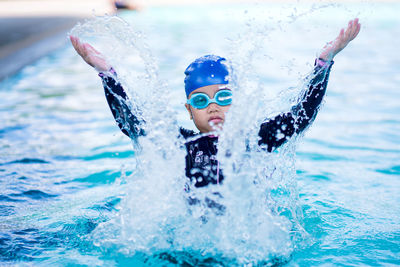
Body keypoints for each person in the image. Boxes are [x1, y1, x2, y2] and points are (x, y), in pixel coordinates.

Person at [69, 18, 361, 189]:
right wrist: (108, 75)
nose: (213, 107)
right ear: (189, 110)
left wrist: (323, 64)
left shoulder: (256, 138)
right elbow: (131, 124)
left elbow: (302, 115)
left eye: (223, 97)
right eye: (200, 100)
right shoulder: (178, 142)